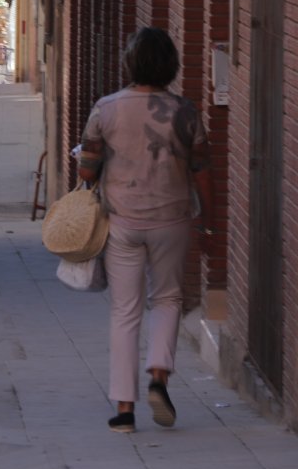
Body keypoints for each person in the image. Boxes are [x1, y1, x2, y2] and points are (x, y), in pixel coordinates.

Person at [77, 27, 213, 434]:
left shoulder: (106, 109)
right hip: (172, 219)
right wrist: (210, 218)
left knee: (125, 311)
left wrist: (95, 167)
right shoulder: (186, 112)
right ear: (170, 66)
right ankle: (159, 376)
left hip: (122, 221)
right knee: (168, 299)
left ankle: (124, 409)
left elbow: (86, 168)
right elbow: (202, 170)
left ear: (130, 64)